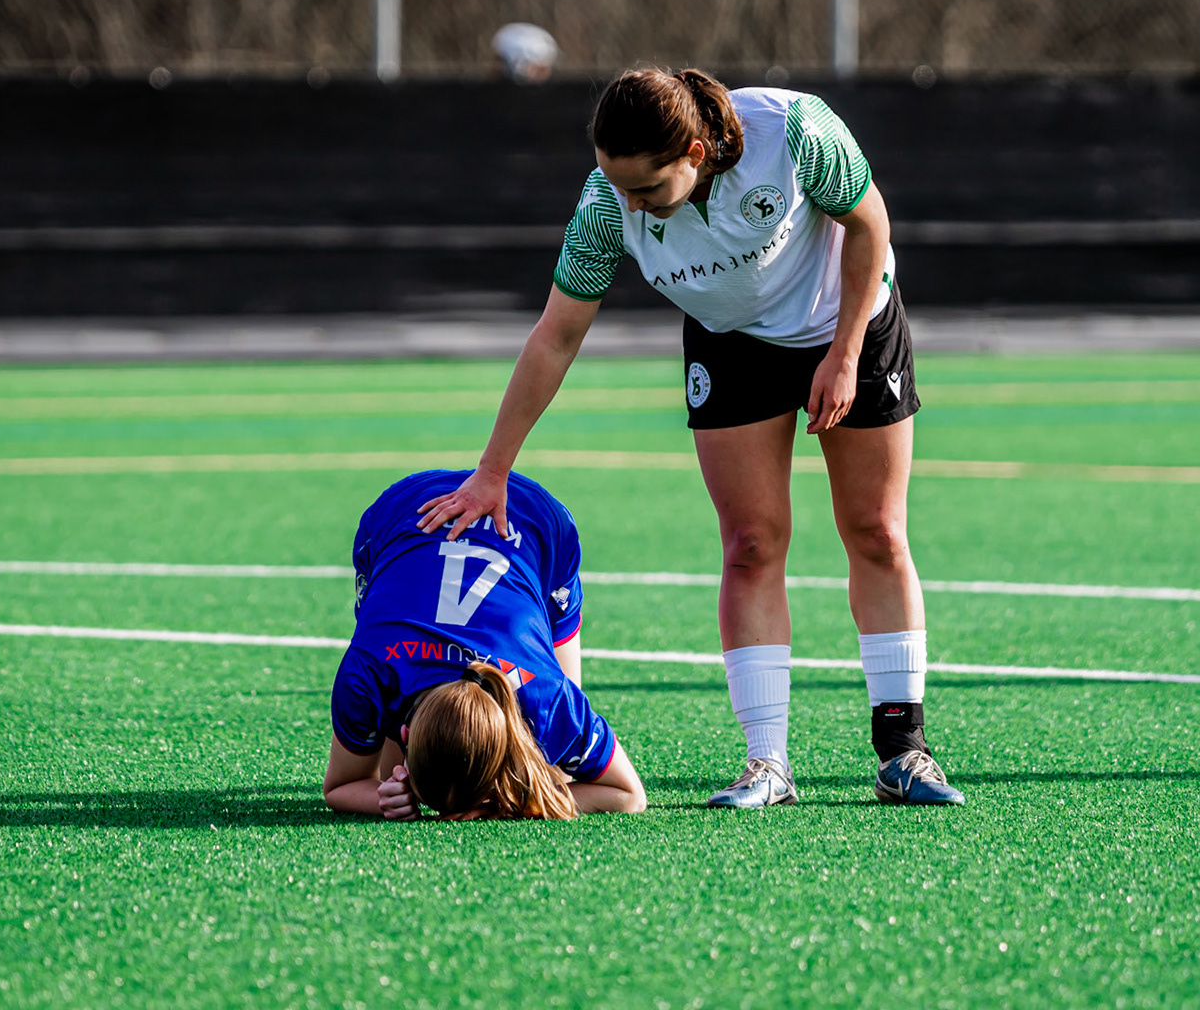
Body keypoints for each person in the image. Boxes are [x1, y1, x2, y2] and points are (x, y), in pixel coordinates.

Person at [417, 68, 963, 809]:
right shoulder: (606, 205)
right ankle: (767, 763)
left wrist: (843, 356)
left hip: (849, 320)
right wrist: (493, 469)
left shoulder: (797, 131)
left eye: (647, 190)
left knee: (874, 530)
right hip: (731, 341)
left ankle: (905, 752)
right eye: (618, 183)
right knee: (751, 543)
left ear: (698, 153)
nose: (631, 205)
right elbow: (555, 337)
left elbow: (870, 224)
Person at [323, 469, 647, 820]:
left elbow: (628, 795)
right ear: (403, 731)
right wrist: (386, 797)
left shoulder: (546, 699)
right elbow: (342, 786)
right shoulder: (368, 669)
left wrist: (513, 801)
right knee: (389, 777)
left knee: (557, 769)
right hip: (404, 512)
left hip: (530, 517)